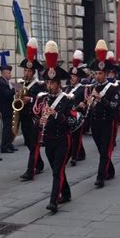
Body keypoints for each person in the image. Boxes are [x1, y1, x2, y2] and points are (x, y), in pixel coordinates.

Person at [33, 41, 75, 213]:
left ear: (58, 83)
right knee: (57, 170)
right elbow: (35, 118)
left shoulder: (67, 99)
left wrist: (55, 114)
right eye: (47, 83)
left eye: (52, 83)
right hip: (48, 141)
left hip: (63, 141)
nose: (49, 86)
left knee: (57, 171)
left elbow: (72, 122)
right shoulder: (42, 98)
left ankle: (53, 202)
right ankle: (66, 192)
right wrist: (39, 121)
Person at [88, 40, 120, 188]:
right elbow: (90, 107)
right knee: (102, 150)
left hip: (107, 122)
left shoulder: (112, 88)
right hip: (95, 123)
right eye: (96, 73)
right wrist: (88, 102)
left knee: (105, 150)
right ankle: (110, 169)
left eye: (100, 73)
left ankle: (100, 177)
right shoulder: (92, 87)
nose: (98, 76)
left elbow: (114, 107)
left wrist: (101, 99)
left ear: (106, 74)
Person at [18, 38, 46, 181]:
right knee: (29, 143)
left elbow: (43, 100)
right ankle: (39, 164)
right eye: (25, 70)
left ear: (33, 72)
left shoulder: (39, 85)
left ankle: (30, 171)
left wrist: (31, 99)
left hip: (34, 119)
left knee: (34, 144)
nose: (26, 73)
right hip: (24, 117)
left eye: (29, 71)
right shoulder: (21, 84)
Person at [63, 50, 87, 166]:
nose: (72, 78)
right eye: (71, 76)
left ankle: (74, 156)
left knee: (76, 136)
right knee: (71, 135)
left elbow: (86, 101)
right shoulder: (66, 89)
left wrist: (83, 104)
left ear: (78, 78)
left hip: (78, 114)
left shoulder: (82, 88)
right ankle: (81, 153)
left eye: (74, 76)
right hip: (69, 114)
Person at [0, 57, 17, 152]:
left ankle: (9, 144)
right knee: (7, 128)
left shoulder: (5, 82)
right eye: (9, 73)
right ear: (4, 73)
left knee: (10, 127)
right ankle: (4, 147)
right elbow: (7, 95)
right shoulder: (1, 83)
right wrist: (15, 90)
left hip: (8, 108)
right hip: (5, 109)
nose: (10, 75)